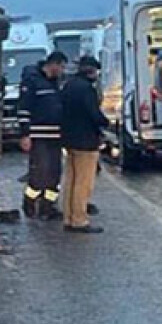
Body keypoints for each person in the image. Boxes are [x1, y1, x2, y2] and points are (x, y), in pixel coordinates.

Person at [60, 56, 109, 233]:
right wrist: (106, 123)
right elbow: (94, 114)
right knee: (83, 182)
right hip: (86, 141)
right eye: (96, 71)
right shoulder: (87, 89)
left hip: (69, 139)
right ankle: (79, 220)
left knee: (70, 180)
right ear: (91, 71)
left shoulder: (69, 86)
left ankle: (68, 217)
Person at [19, 51, 68, 220]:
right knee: (39, 173)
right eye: (61, 66)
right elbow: (24, 108)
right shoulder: (33, 81)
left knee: (54, 173)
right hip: (38, 135)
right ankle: (30, 202)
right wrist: (25, 134)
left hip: (56, 135)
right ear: (53, 64)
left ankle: (48, 207)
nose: (62, 70)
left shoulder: (56, 83)